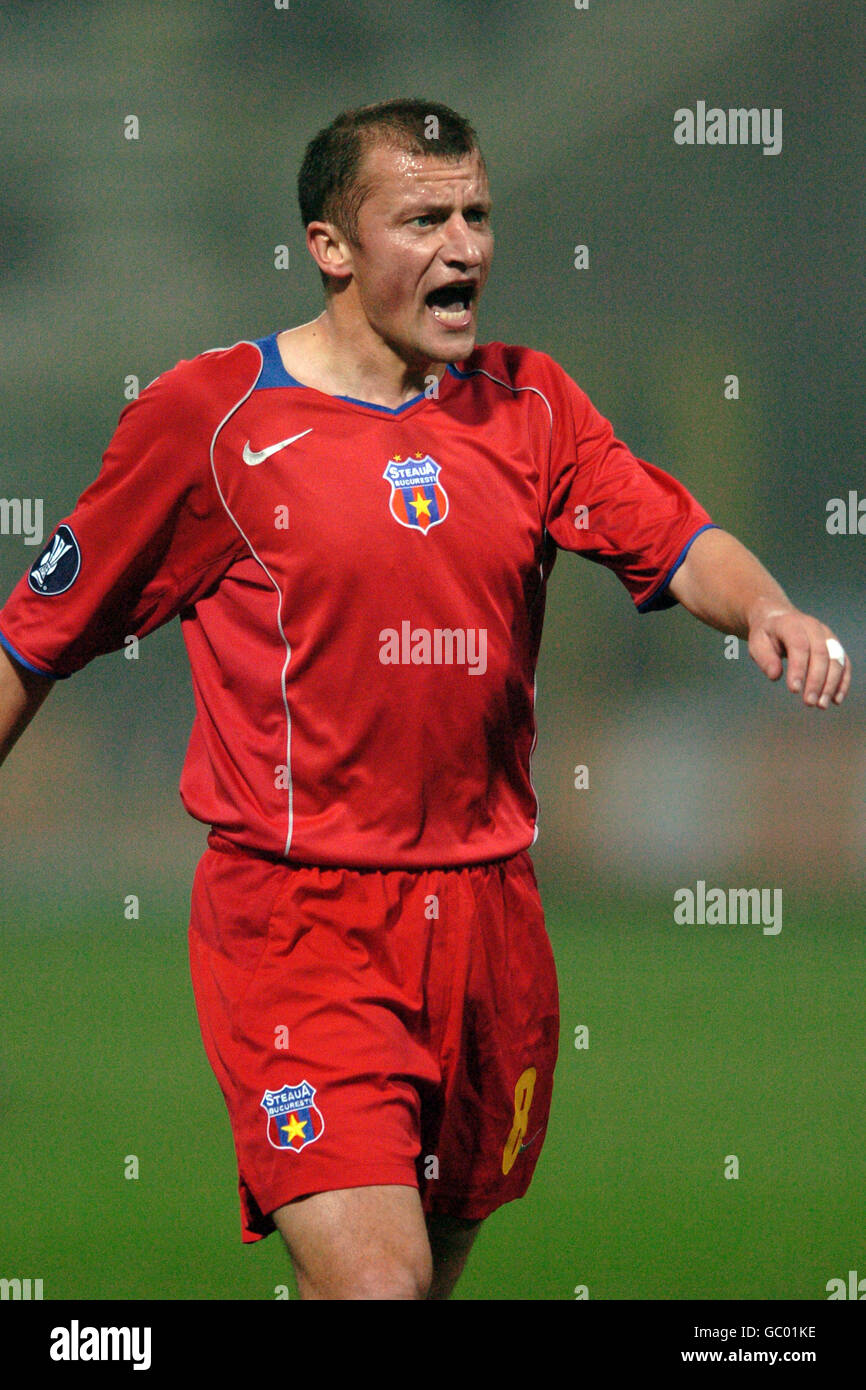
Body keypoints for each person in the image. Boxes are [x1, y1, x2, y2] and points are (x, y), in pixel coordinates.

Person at [0, 98, 850, 1301]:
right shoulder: (210, 420)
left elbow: (673, 536)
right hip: (297, 923)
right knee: (379, 1287)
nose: (464, 247)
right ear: (331, 246)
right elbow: (33, 637)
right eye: (423, 218)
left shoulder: (529, 403)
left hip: (488, 919)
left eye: (476, 215)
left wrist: (762, 605)